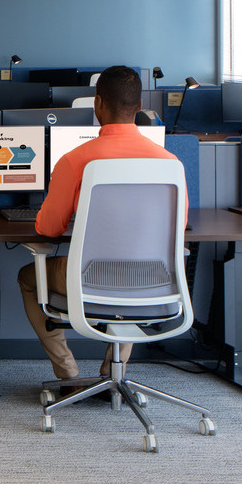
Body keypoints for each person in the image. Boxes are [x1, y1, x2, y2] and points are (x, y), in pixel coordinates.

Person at [19, 65, 178, 390]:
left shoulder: (75, 160)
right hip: (151, 280)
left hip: (87, 278)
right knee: (132, 276)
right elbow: (179, 225)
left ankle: (68, 374)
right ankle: (113, 374)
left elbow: (48, 229)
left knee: (27, 277)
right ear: (139, 106)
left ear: (98, 103)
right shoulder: (170, 164)